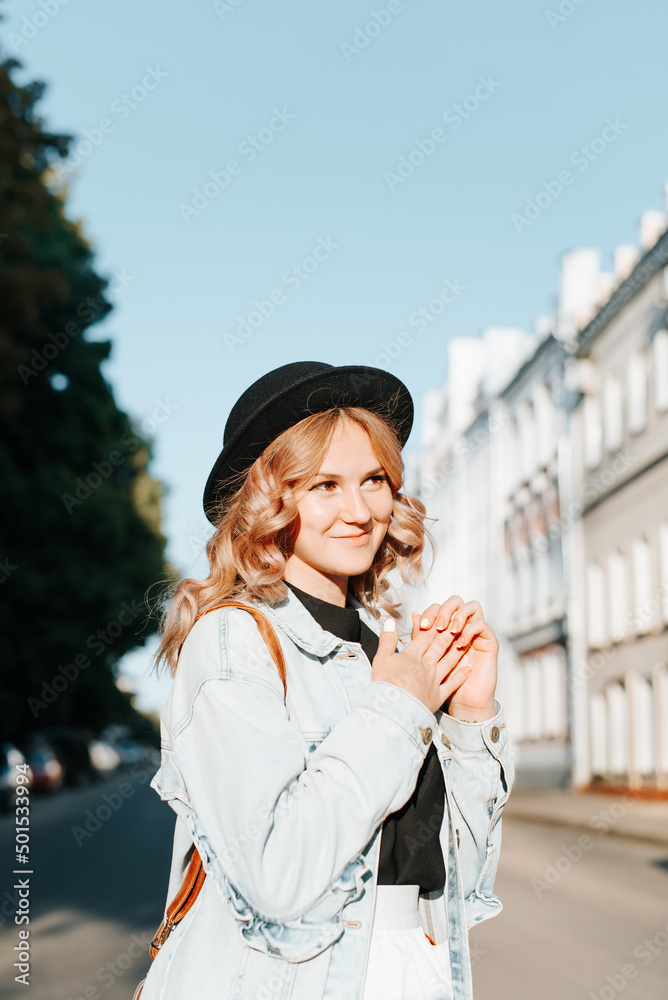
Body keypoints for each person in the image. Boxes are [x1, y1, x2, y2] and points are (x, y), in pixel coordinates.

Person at [139, 361, 514, 1000]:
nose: (360, 510)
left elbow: (455, 882)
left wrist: (472, 720)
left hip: (411, 969)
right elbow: (277, 872)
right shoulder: (234, 641)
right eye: (324, 485)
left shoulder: (385, 647)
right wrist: (398, 708)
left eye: (374, 481)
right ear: (270, 500)